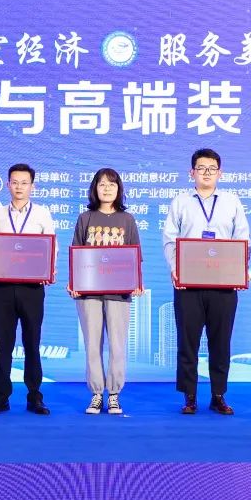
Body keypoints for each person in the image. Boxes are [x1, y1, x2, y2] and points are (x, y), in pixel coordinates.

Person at [162, 148, 250, 415]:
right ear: (192, 173)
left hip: (223, 284)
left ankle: (218, 395)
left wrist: (240, 269)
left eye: (212, 168)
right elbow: (170, 239)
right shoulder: (180, 202)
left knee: (220, 342)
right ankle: (189, 396)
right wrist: (175, 269)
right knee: (187, 342)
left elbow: (242, 238)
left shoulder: (232, 201)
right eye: (201, 168)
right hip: (189, 285)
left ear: (220, 173)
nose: (207, 173)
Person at [0, 163, 56, 416]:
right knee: (3, 345)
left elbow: (51, 247)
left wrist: (49, 269)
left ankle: (35, 397)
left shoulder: (42, 214)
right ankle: (1, 397)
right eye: (15, 182)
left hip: (32, 288)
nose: (19, 187)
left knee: (32, 343)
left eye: (24, 183)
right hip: (3, 288)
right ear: (7, 185)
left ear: (32, 186)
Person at [69, 168, 142, 415]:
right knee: (92, 344)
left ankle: (114, 395)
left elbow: (135, 255)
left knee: (117, 345)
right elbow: (76, 254)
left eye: (112, 184)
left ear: (119, 189)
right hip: (89, 292)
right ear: (95, 189)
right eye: (102, 184)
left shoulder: (127, 219)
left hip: (119, 293)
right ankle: (96, 394)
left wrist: (137, 282)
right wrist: (74, 283)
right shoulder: (85, 218)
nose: (107, 188)